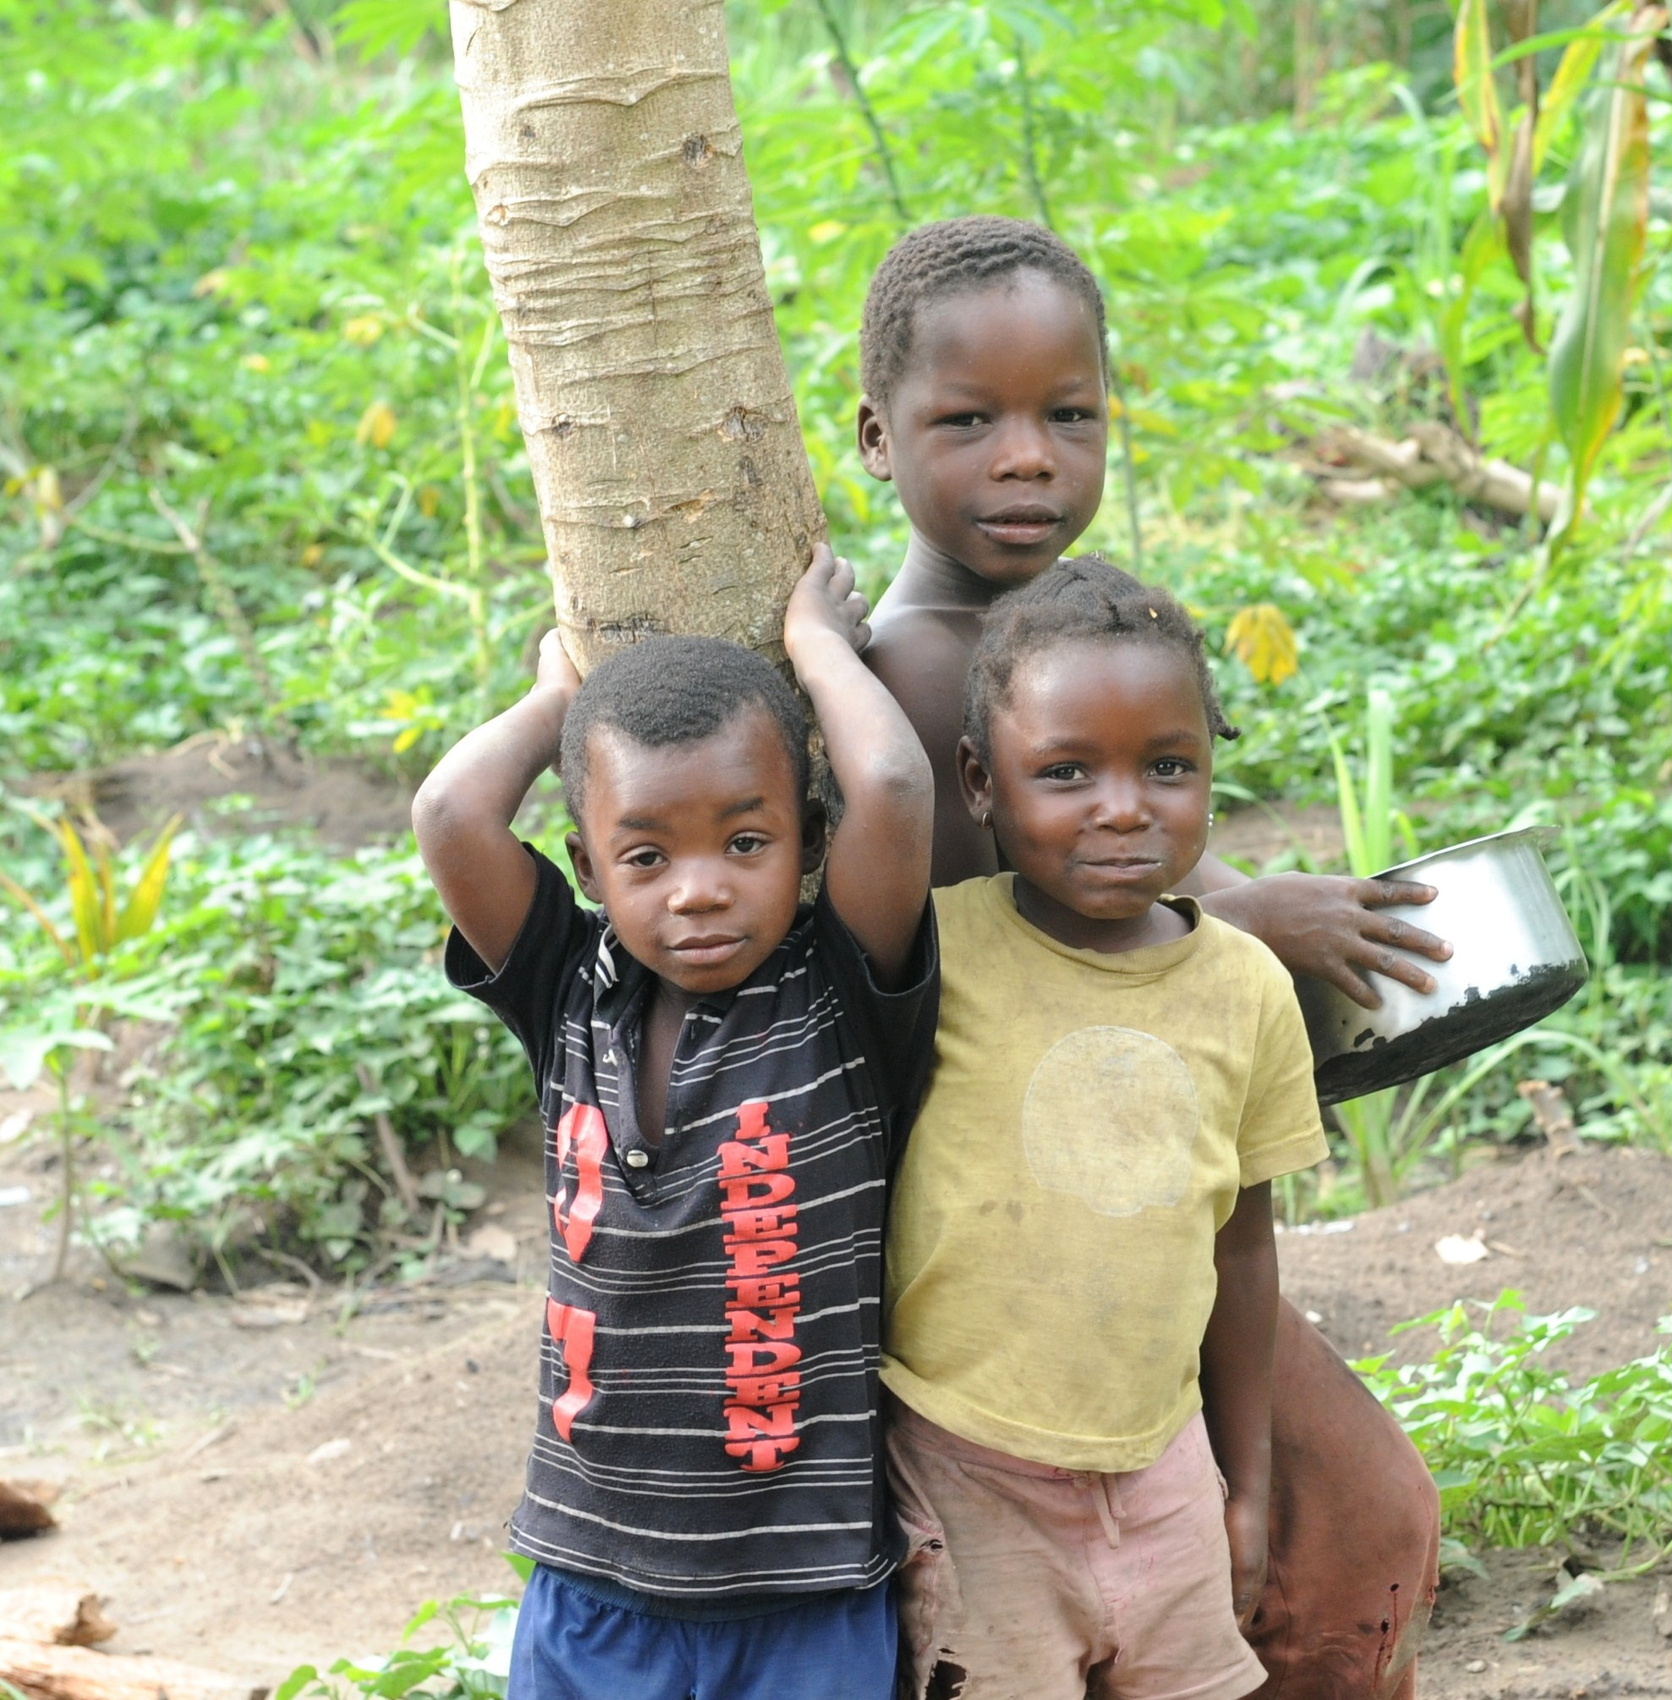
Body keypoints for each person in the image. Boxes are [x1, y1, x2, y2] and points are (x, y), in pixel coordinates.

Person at [856, 214, 1444, 1698]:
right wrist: (1263, 917)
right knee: (1350, 1528)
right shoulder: (924, 677)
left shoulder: (1049, 626)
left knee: (1328, 1530)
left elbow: (1137, 875)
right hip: (1023, 1254)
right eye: (971, 421)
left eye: (1068, 415)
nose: (1027, 459)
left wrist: (1249, 906)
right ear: (875, 437)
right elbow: (1030, 943)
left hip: (1137, 1199)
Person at [410, 547, 935, 1700]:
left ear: (805, 839)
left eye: (746, 842)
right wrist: (558, 699)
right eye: (646, 855)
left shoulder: (836, 994)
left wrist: (816, 645)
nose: (697, 888)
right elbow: (451, 811)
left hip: (805, 1592)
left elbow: (893, 790)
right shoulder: (566, 991)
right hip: (591, 1580)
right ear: (588, 866)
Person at [882, 558, 1326, 1700]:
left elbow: (1240, 1247)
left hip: (1162, 1468)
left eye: (1168, 766)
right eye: (1066, 771)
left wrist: (1248, 1477)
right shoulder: (936, 952)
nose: (1124, 807)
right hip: (965, 1469)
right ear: (979, 784)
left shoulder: (1246, 987)